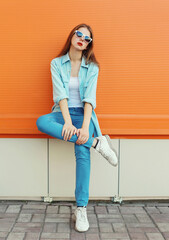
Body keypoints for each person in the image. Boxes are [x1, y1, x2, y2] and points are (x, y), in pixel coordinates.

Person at [36, 23, 118, 232]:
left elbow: (89, 99)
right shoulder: (56, 63)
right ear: (71, 36)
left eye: (87, 38)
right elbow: (60, 95)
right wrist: (69, 123)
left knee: (82, 152)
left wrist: (82, 127)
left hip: (84, 115)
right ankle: (97, 143)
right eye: (79, 34)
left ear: (88, 44)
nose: (82, 38)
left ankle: (81, 208)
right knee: (41, 122)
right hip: (63, 114)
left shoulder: (92, 67)